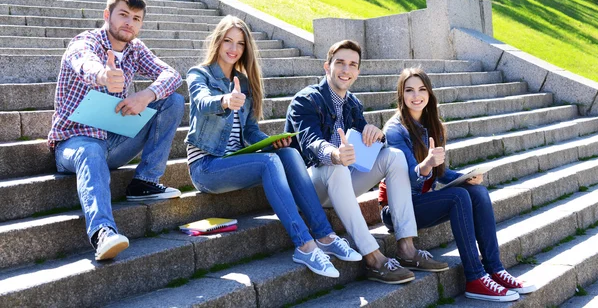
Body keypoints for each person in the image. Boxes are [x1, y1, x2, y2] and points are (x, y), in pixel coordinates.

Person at [185, 15, 360, 278]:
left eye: (240, 44)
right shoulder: (200, 74)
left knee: (287, 153)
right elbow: (201, 100)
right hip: (207, 166)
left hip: (236, 161)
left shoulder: (243, 83)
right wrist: (224, 100)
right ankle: (304, 244)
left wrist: (271, 141)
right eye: (228, 41)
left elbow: (250, 131)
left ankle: (324, 236)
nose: (233, 49)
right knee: (269, 162)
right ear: (218, 42)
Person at [285, 40, 448, 285]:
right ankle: (372, 257)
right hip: (310, 189)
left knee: (393, 156)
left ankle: (407, 249)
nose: (346, 70)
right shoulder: (306, 100)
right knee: (335, 164)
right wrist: (335, 154)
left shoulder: (352, 103)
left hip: (341, 185)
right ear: (326, 66)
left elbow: (368, 139)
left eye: (352, 65)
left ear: (358, 72)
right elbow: (310, 141)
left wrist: (376, 133)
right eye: (340, 63)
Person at [48, 0, 185, 261]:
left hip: (113, 139)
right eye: (123, 14)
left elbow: (172, 74)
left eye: (136, 18)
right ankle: (103, 233)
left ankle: (144, 181)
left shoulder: (135, 49)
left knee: (173, 101)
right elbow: (83, 61)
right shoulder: (86, 41)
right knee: (90, 150)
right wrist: (102, 75)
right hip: (73, 143)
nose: (129, 23)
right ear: (107, 15)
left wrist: (146, 95)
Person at [380, 67, 536, 301]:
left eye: (422, 89)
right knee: (458, 197)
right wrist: (427, 163)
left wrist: (466, 177)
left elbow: (441, 173)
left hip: (421, 201)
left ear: (430, 93)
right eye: (409, 90)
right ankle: (475, 278)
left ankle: (495, 269)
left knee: (476, 192)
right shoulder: (395, 130)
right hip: (398, 209)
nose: (416, 96)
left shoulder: (433, 125)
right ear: (401, 95)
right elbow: (406, 177)